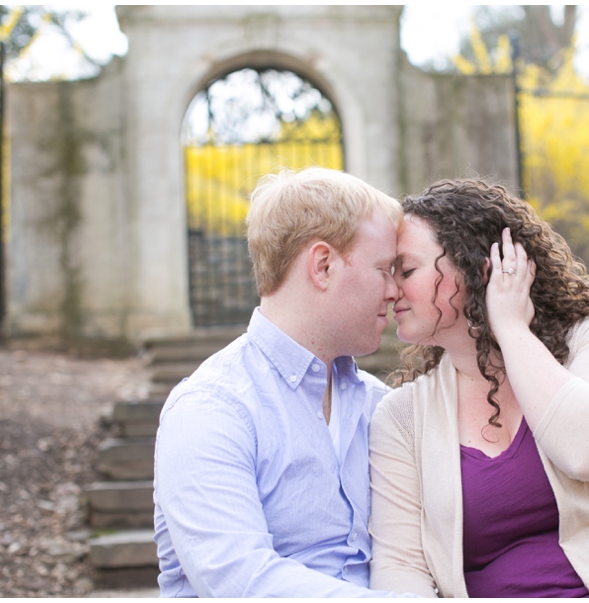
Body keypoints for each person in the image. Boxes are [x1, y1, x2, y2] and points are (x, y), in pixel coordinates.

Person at [368, 178, 589, 598]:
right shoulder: (402, 417)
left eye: (406, 270)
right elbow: (399, 566)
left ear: (481, 267)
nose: (390, 290)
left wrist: (511, 329)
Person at [153, 167, 415, 597]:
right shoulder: (211, 409)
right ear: (323, 266)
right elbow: (241, 581)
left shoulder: (378, 404)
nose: (395, 291)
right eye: (385, 269)